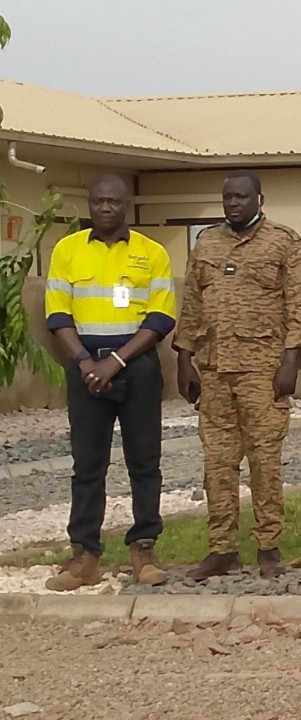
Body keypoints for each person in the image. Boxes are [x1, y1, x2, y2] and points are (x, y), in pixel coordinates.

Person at [175, 170, 301, 581]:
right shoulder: (206, 243)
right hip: (215, 372)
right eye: (227, 198)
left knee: (264, 461)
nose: (233, 204)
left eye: (241, 197)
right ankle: (222, 549)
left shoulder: (284, 242)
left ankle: (268, 546)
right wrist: (185, 356)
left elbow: (300, 305)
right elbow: (193, 303)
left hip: (263, 370)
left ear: (259, 199)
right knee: (217, 463)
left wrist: (291, 360)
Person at [43, 175, 176, 592]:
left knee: (144, 461)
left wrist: (115, 362)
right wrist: (85, 362)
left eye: (113, 202)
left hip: (135, 365)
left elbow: (160, 318)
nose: (105, 208)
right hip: (85, 366)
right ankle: (84, 556)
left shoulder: (152, 253)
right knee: (87, 466)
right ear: (90, 204)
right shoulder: (67, 250)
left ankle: (144, 548)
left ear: (126, 204)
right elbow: (57, 315)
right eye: (98, 201)